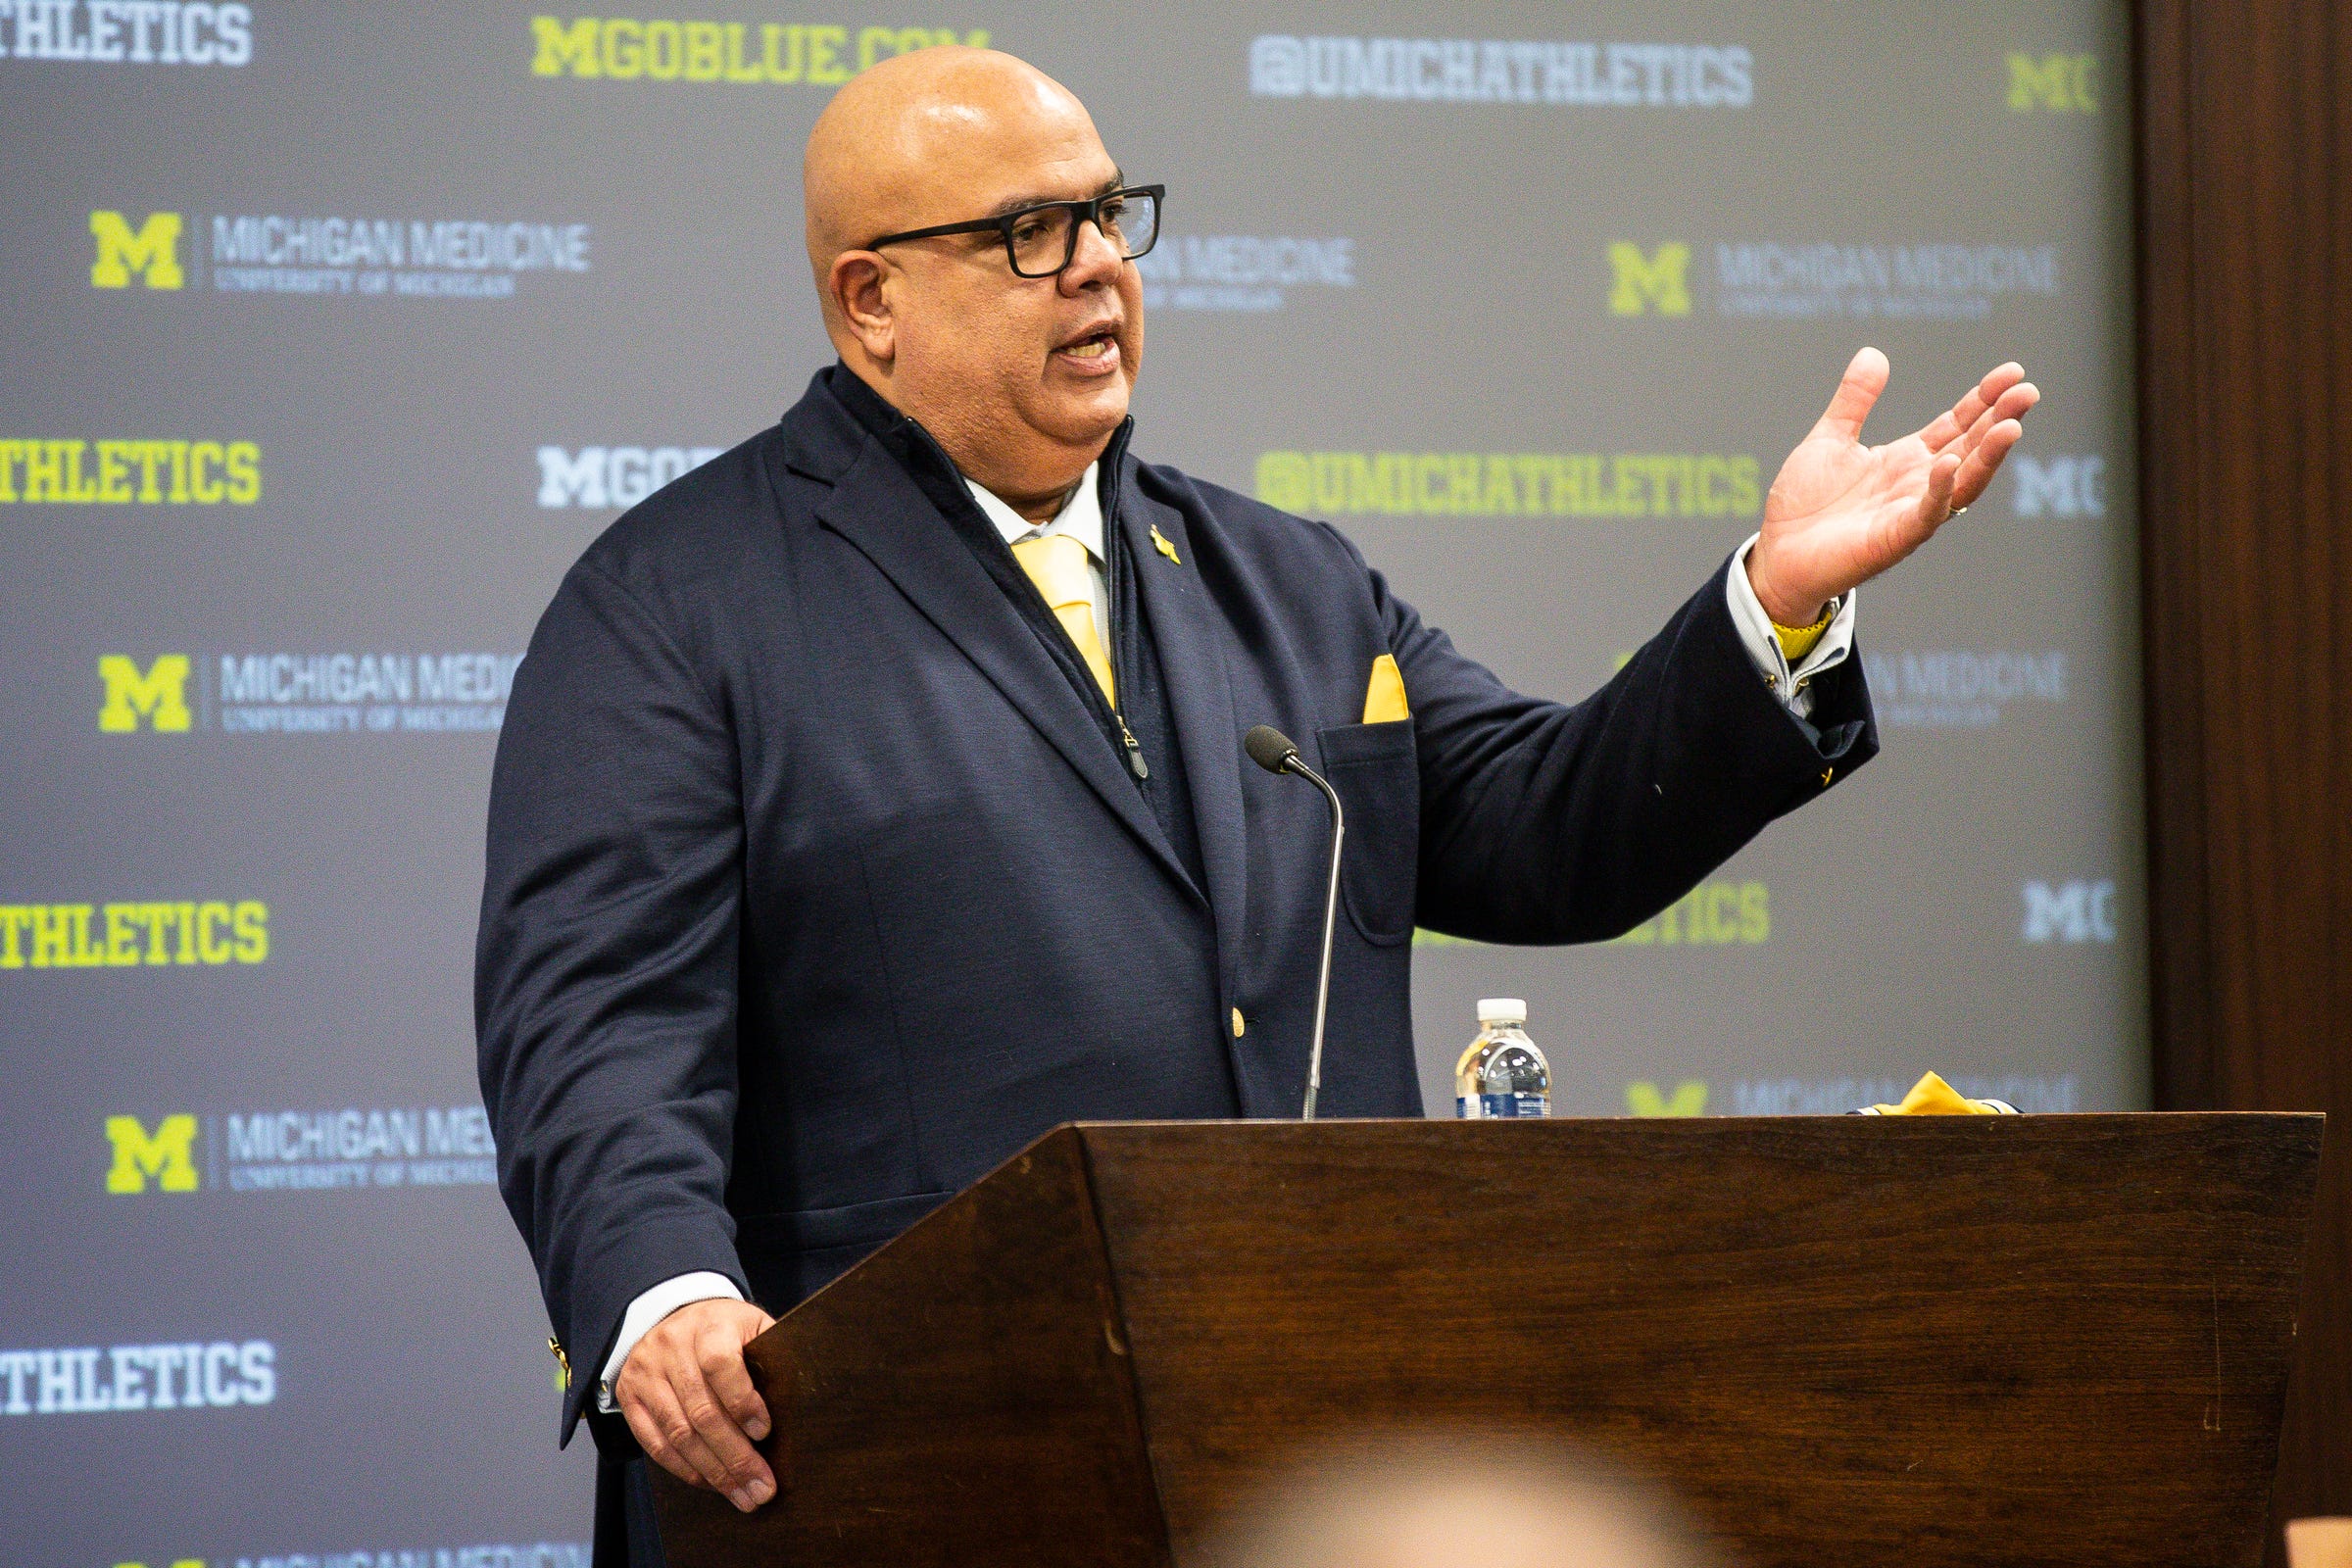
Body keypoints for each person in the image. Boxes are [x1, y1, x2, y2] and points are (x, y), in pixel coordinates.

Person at [474, 45, 2037, 1566]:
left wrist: (1772, 603)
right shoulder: (676, 604)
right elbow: (597, 1021)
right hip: (898, 1454)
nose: (1095, 267)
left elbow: (1553, 831)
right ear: (868, 301)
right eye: (1027, 233)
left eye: (1106, 213)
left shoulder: (1284, 581)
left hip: (1307, 1444)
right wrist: (663, 1292)